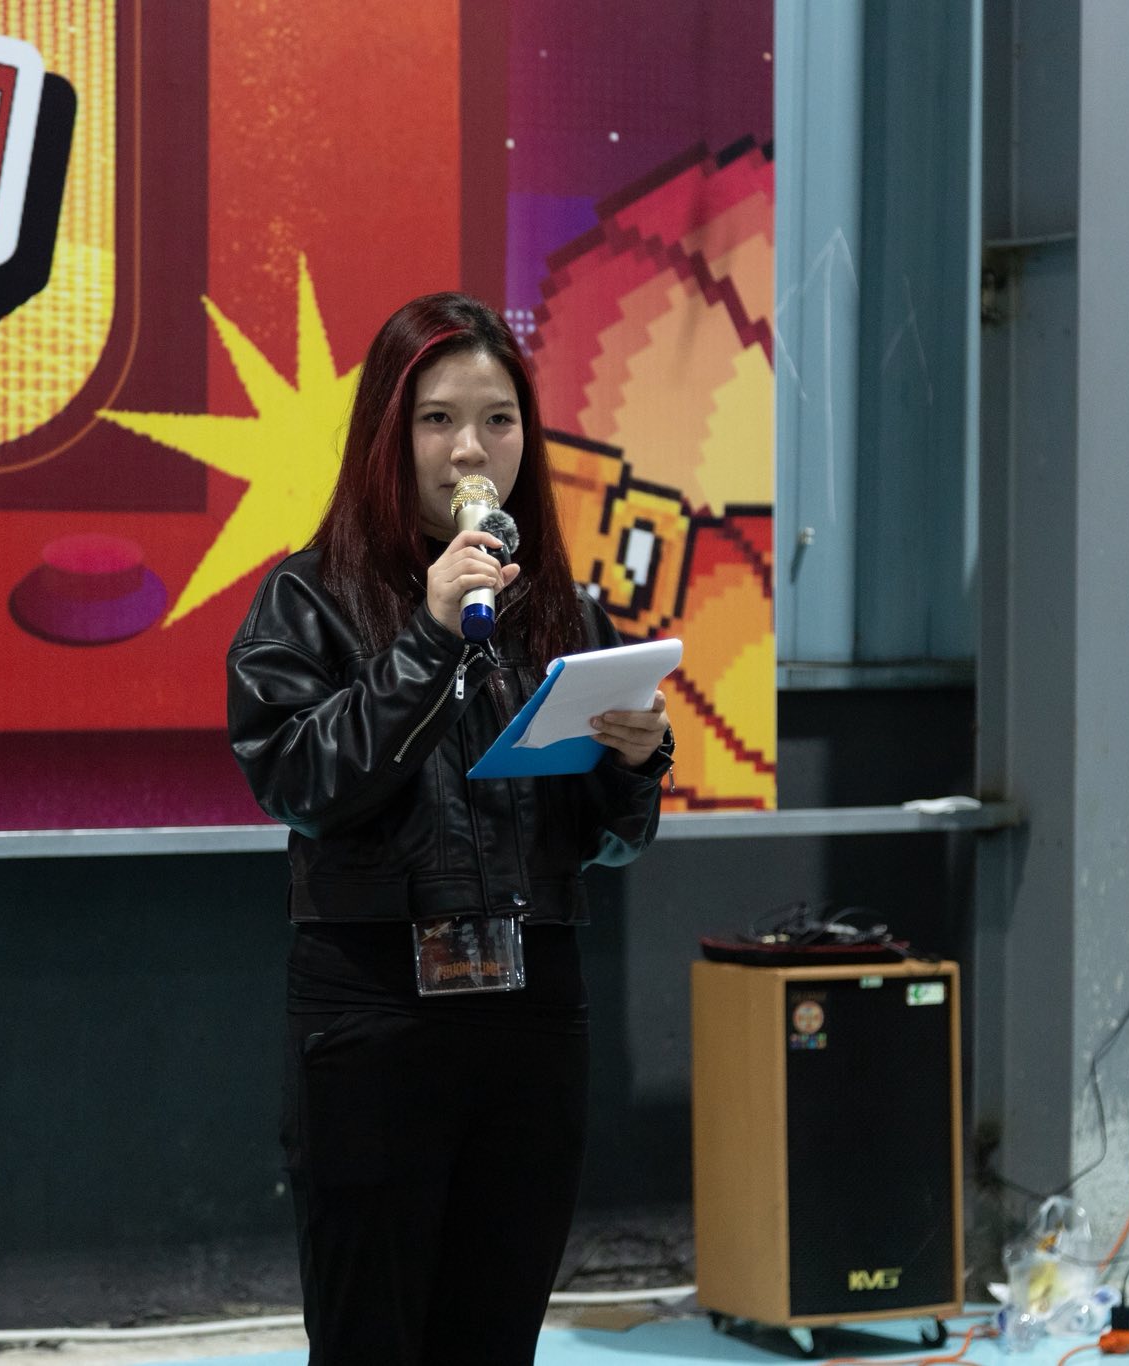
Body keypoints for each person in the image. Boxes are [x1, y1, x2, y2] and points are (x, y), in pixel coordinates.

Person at [226, 292, 674, 1364]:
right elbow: (299, 781)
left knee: (495, 1331)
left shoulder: (564, 610)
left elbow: (610, 841)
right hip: (375, 1013)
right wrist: (429, 637)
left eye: (497, 419)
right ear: (388, 432)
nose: (471, 449)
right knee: (371, 1334)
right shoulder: (307, 598)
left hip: (532, 1013)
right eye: (437, 419)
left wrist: (635, 761)